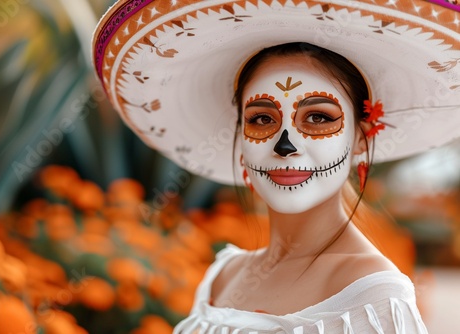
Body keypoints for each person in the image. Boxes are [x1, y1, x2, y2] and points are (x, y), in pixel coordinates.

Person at [92, 1, 460, 332]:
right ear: (239, 143)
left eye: (317, 117)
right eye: (262, 119)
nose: (284, 145)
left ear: (361, 140)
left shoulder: (374, 297)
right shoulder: (221, 276)